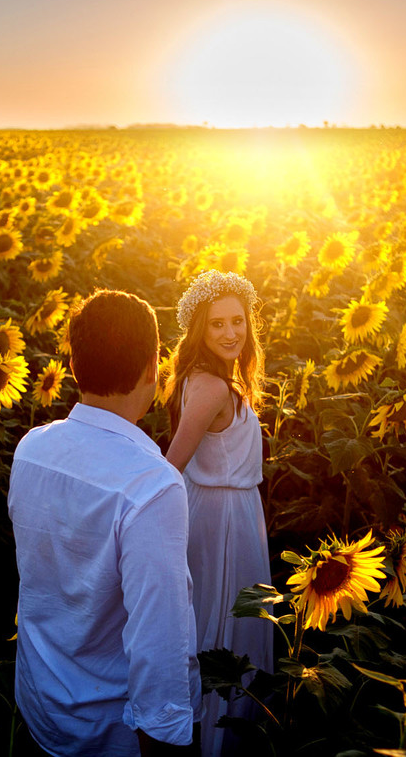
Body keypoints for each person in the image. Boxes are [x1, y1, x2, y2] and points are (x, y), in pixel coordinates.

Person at [8, 289, 201, 756]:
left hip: (38, 706)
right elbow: (159, 638)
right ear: (154, 368)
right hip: (107, 731)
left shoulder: (31, 449)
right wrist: (171, 740)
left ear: (74, 366)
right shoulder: (152, 487)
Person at [164, 270, 273, 757]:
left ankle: (212, 735)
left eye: (238, 321)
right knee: (224, 624)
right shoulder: (210, 387)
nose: (231, 333)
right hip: (221, 519)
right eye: (217, 325)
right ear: (198, 332)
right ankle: (215, 741)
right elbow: (173, 467)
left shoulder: (209, 379)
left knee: (221, 618)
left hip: (230, 508)